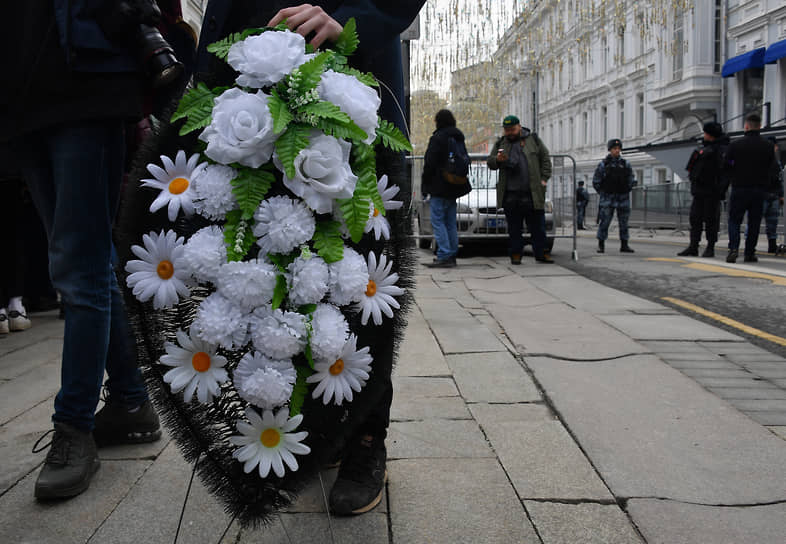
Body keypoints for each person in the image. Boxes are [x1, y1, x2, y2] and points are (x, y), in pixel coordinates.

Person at [195, 1, 424, 516]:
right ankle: (324, 426)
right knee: (275, 275)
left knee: (361, 279)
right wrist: (205, 77)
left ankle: (366, 436)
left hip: (352, 87)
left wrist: (356, 22)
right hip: (250, 91)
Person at [4, 1, 164, 500]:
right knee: (86, 264)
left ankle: (73, 428)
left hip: (85, 85)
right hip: (21, 101)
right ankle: (131, 403)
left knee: (79, 270)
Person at [487, 115, 553, 264]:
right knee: (514, 228)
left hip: (532, 193)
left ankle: (542, 253)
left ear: (519, 127)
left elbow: (545, 159)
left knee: (537, 227)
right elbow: (490, 162)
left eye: (512, 129)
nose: (510, 132)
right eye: (507, 130)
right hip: (511, 194)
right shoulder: (501, 143)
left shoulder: (533, 140)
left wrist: (544, 179)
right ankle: (516, 254)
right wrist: (497, 160)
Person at [723, 113, 776, 263]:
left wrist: (733, 176)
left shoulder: (735, 145)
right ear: (759, 126)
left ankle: (733, 249)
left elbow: (726, 166)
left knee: (734, 220)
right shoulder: (768, 146)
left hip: (739, 187)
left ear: (746, 126)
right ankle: (749, 252)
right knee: (754, 222)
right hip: (759, 189)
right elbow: (771, 168)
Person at [421, 109, 467, 267]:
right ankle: (452, 254)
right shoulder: (458, 137)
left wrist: (425, 185)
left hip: (438, 186)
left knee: (438, 221)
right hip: (453, 185)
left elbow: (430, 163)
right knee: (450, 222)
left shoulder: (438, 138)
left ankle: (444, 255)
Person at [678, 122, 729, 258]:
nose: (704, 135)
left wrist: (720, 190)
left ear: (710, 135)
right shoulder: (704, 148)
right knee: (695, 219)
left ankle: (710, 247)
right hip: (699, 191)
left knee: (711, 221)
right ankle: (693, 246)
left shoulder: (721, 150)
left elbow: (725, 172)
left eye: (706, 133)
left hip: (712, 192)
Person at [593, 138, 636, 254]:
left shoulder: (625, 164)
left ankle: (624, 244)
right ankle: (601, 244)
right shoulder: (603, 164)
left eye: (618, 149)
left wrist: (628, 188)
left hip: (622, 197)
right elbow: (596, 181)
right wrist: (603, 193)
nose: (617, 151)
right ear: (610, 150)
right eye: (614, 149)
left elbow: (631, 179)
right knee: (605, 222)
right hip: (608, 197)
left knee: (624, 222)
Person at [763, 137, 783, 254]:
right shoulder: (763, 161)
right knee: (769, 222)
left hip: (771, 194)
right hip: (766, 194)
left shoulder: (777, 162)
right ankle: (751, 246)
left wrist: (780, 195)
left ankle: (772, 245)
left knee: (772, 222)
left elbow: (779, 180)